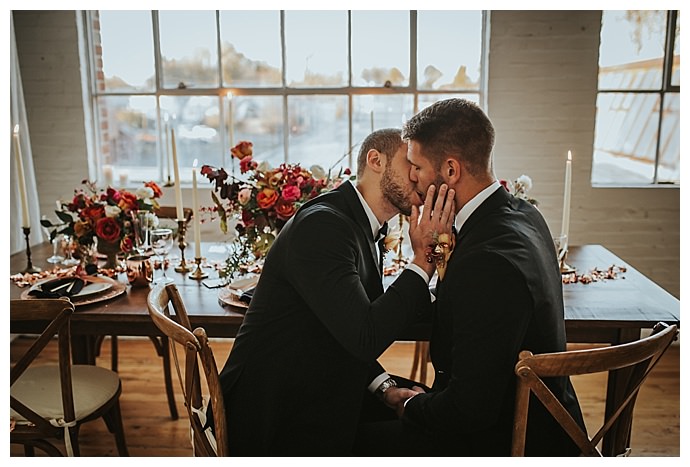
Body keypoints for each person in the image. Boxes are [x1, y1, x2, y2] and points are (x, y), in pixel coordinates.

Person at [354, 99, 585, 456]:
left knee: (345, 437)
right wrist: (432, 253)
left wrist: (409, 406)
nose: (411, 176)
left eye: (416, 166)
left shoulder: (487, 263)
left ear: (450, 170)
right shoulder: (523, 215)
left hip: (504, 441)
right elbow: (464, 309)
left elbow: (468, 411)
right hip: (517, 414)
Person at [214, 128, 455, 455]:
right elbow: (365, 334)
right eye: (410, 163)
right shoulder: (324, 225)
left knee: (427, 408)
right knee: (437, 436)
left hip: (323, 383)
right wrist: (424, 260)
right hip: (274, 416)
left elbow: (351, 322)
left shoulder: (363, 225)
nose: (419, 175)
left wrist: (383, 388)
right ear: (375, 160)